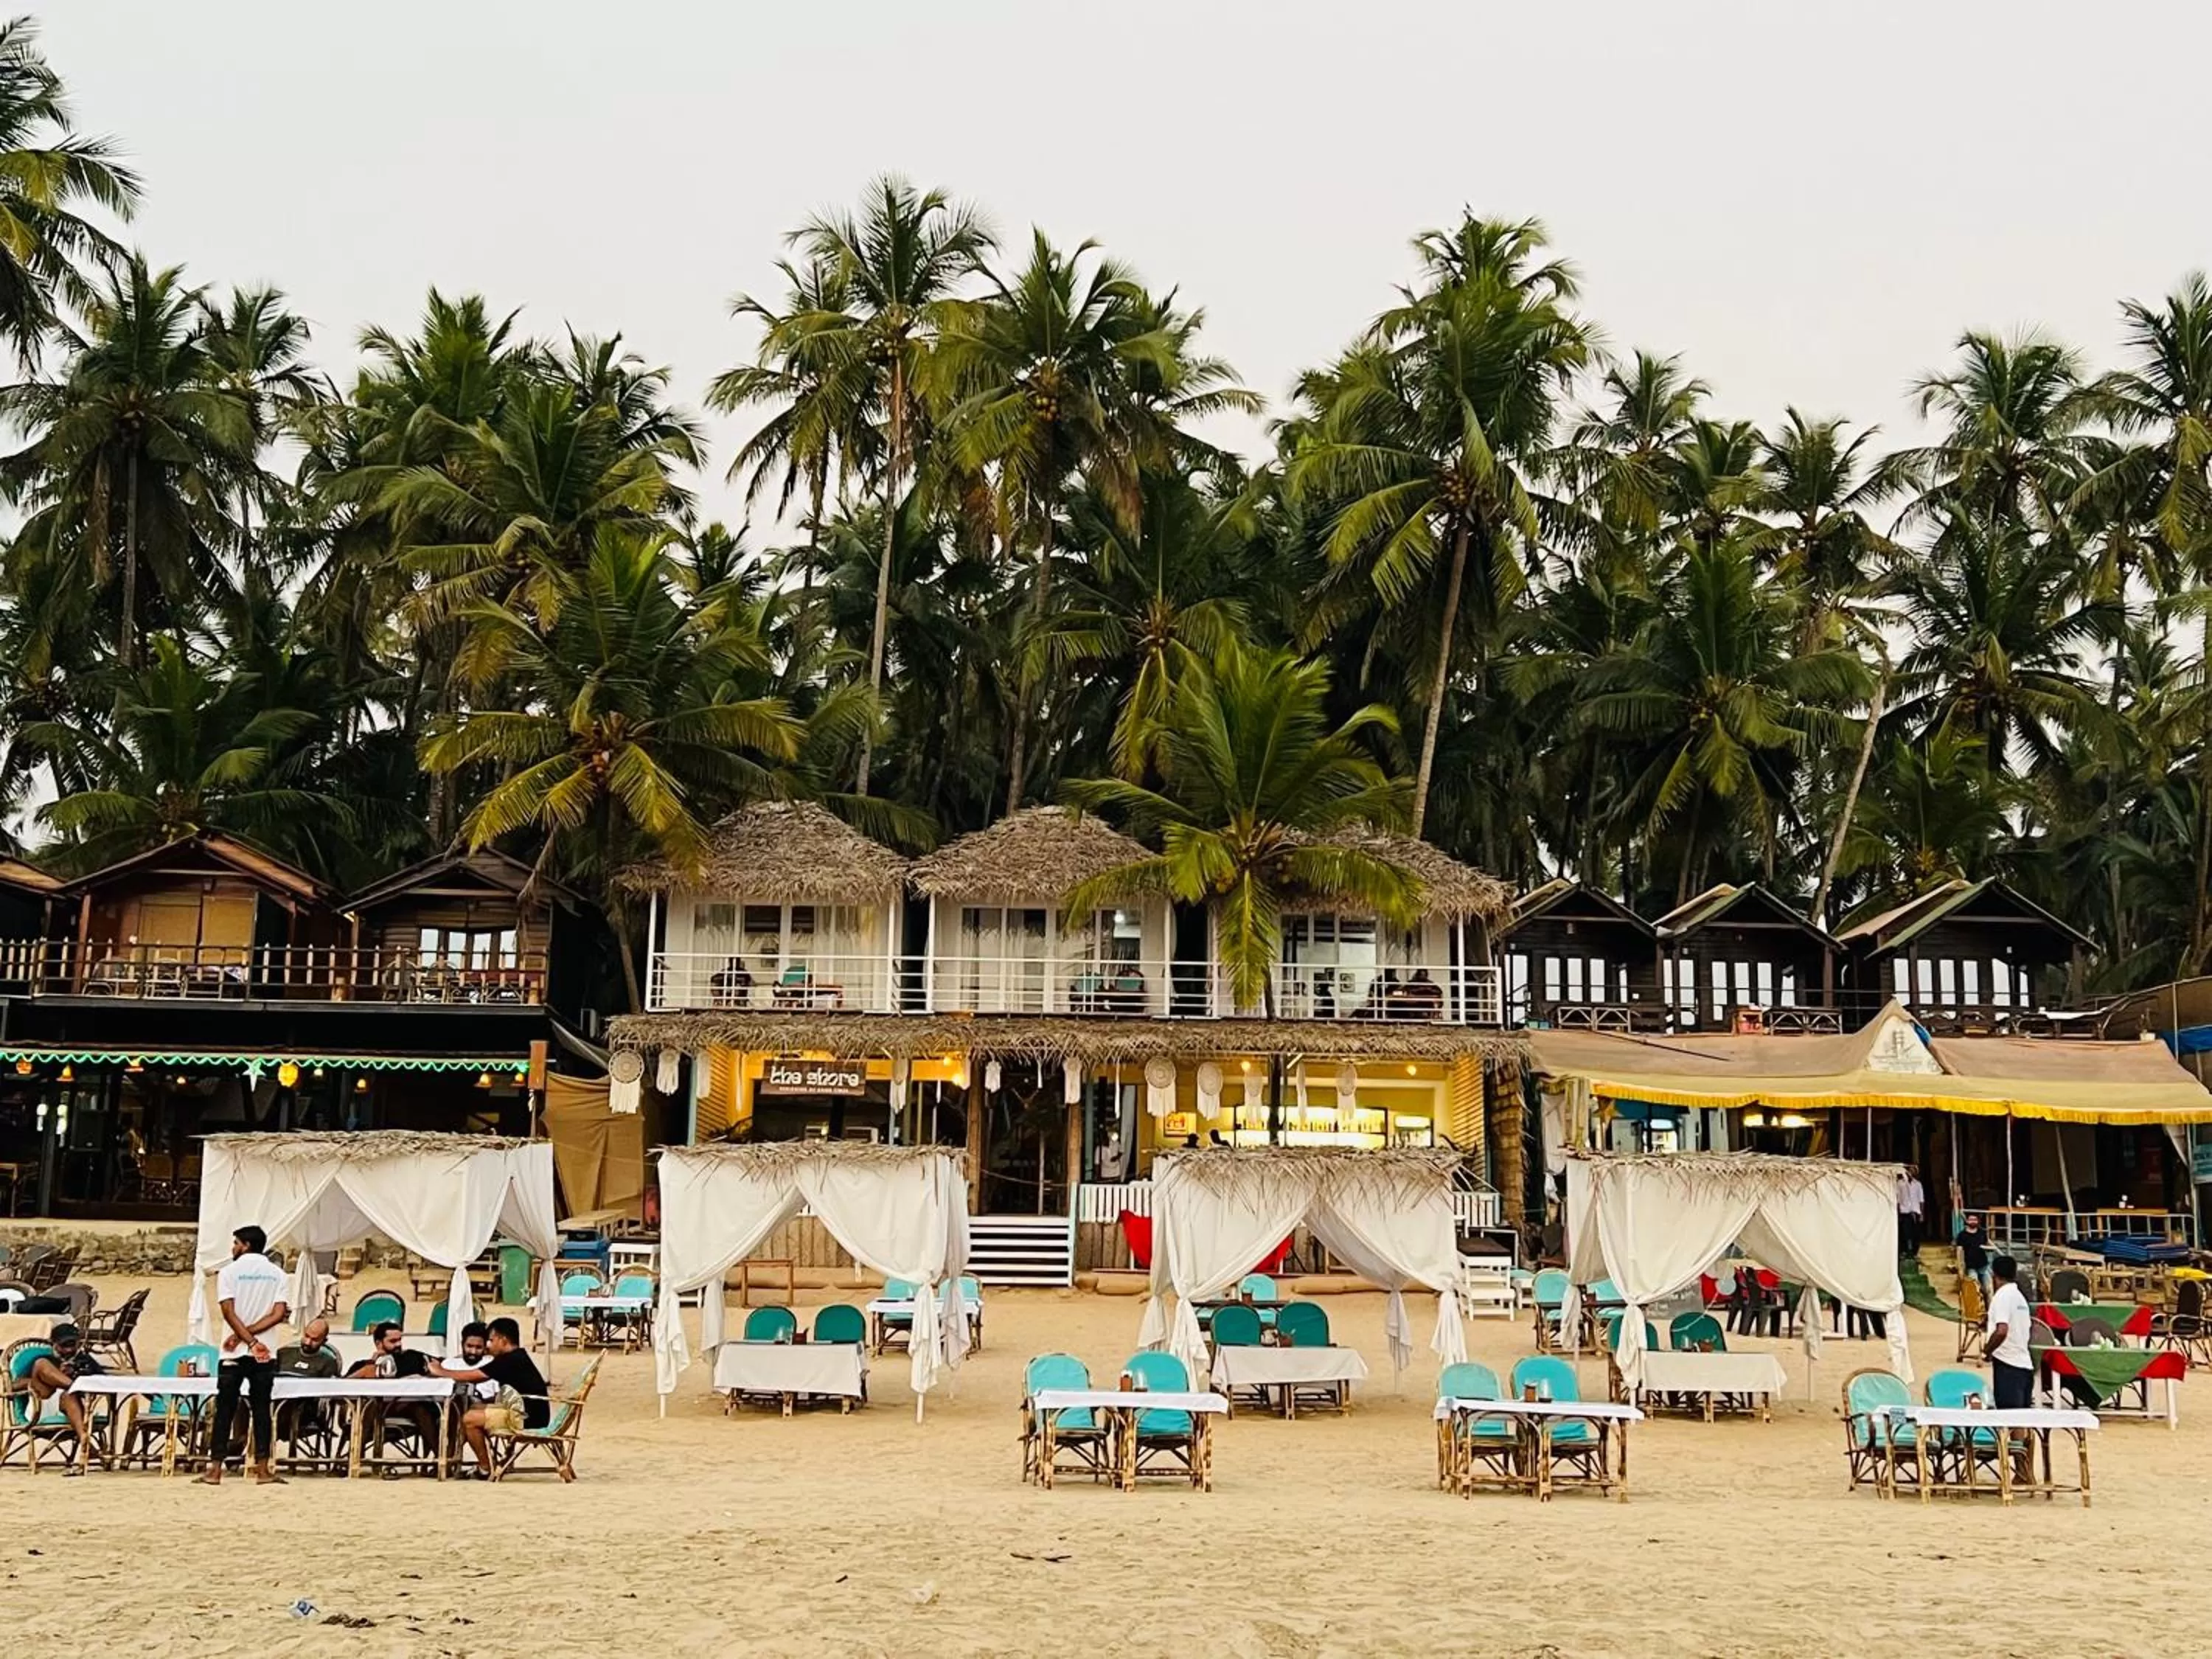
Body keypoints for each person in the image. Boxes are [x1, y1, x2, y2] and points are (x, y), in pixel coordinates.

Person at [200, 1225, 291, 1486]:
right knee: (262, 1410)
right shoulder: (278, 1275)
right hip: (266, 1351)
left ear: (246, 1245)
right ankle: (263, 1470)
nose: (233, 1248)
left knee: (224, 1410)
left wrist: (243, 1339)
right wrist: (254, 1340)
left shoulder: (229, 1272)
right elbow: (277, 1315)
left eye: (236, 1243)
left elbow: (228, 1312)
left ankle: (215, 1470)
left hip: (233, 1352)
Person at [437, 1316, 549, 1478]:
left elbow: (472, 1376)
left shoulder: (509, 1360)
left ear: (502, 1340)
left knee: (470, 1419)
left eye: (491, 1340)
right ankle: (451, 1457)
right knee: (472, 1409)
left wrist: (439, 1372)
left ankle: (485, 1467)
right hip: (524, 1410)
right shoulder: (515, 1357)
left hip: (526, 1417)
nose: (488, 1345)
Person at [346, 1320, 439, 1463]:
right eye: (393, 1341)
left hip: (406, 1408)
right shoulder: (363, 1365)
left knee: (420, 1406)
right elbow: (343, 1384)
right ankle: (354, 1459)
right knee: (370, 1404)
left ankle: (440, 1459)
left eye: (400, 1340)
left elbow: (439, 1364)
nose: (398, 1344)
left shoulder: (413, 1357)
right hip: (373, 1410)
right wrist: (371, 1366)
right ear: (379, 1344)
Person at [24, 1323, 102, 1475]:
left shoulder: (84, 1360)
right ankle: (74, 1385)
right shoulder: (44, 1359)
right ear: (54, 1344)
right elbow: (13, 1386)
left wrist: (79, 1373)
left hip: (73, 1409)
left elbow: (102, 1379)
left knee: (69, 1395)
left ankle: (85, 1442)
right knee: (42, 1365)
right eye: (64, 1345)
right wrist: (51, 1377)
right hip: (41, 1406)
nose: (69, 1350)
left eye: (72, 1345)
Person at [271, 1318, 341, 1451]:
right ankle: (241, 1442)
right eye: (307, 1336)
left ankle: (242, 1444)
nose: (308, 1342)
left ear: (324, 1341)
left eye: (315, 1340)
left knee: (284, 1408)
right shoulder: (283, 1354)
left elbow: (329, 1390)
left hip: (305, 1410)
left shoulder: (328, 1361)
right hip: (273, 1403)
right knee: (243, 1402)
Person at [1983, 1253, 2035, 1409]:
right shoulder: (2019, 1297)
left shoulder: (2002, 1296)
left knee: (2008, 1418)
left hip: (2008, 1365)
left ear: (1994, 1275)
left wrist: (1986, 1352)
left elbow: (2002, 1331)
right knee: (2020, 1420)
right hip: (2025, 1364)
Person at [1958, 1214, 1991, 1297]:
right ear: (1967, 1221)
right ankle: (1977, 1309)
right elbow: (1959, 1251)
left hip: (1983, 1265)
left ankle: (1989, 1308)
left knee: (1988, 1289)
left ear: (1978, 1221)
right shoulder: (1962, 1235)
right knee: (1975, 1289)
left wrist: (1987, 1247)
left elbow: (1988, 1245)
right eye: (1971, 1219)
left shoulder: (1982, 1233)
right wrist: (1960, 1267)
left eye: (1975, 1220)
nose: (1973, 1221)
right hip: (1971, 1266)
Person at [1896, 1164, 1925, 1257]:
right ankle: (1904, 1251)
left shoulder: (1918, 1184)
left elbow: (1921, 1200)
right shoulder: (1900, 1183)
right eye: (1910, 1171)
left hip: (1915, 1212)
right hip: (1904, 1211)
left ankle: (1915, 1252)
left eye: (1914, 1171)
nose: (1911, 1173)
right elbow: (1897, 1198)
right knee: (1905, 1233)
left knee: (1916, 1234)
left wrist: (1921, 1214)